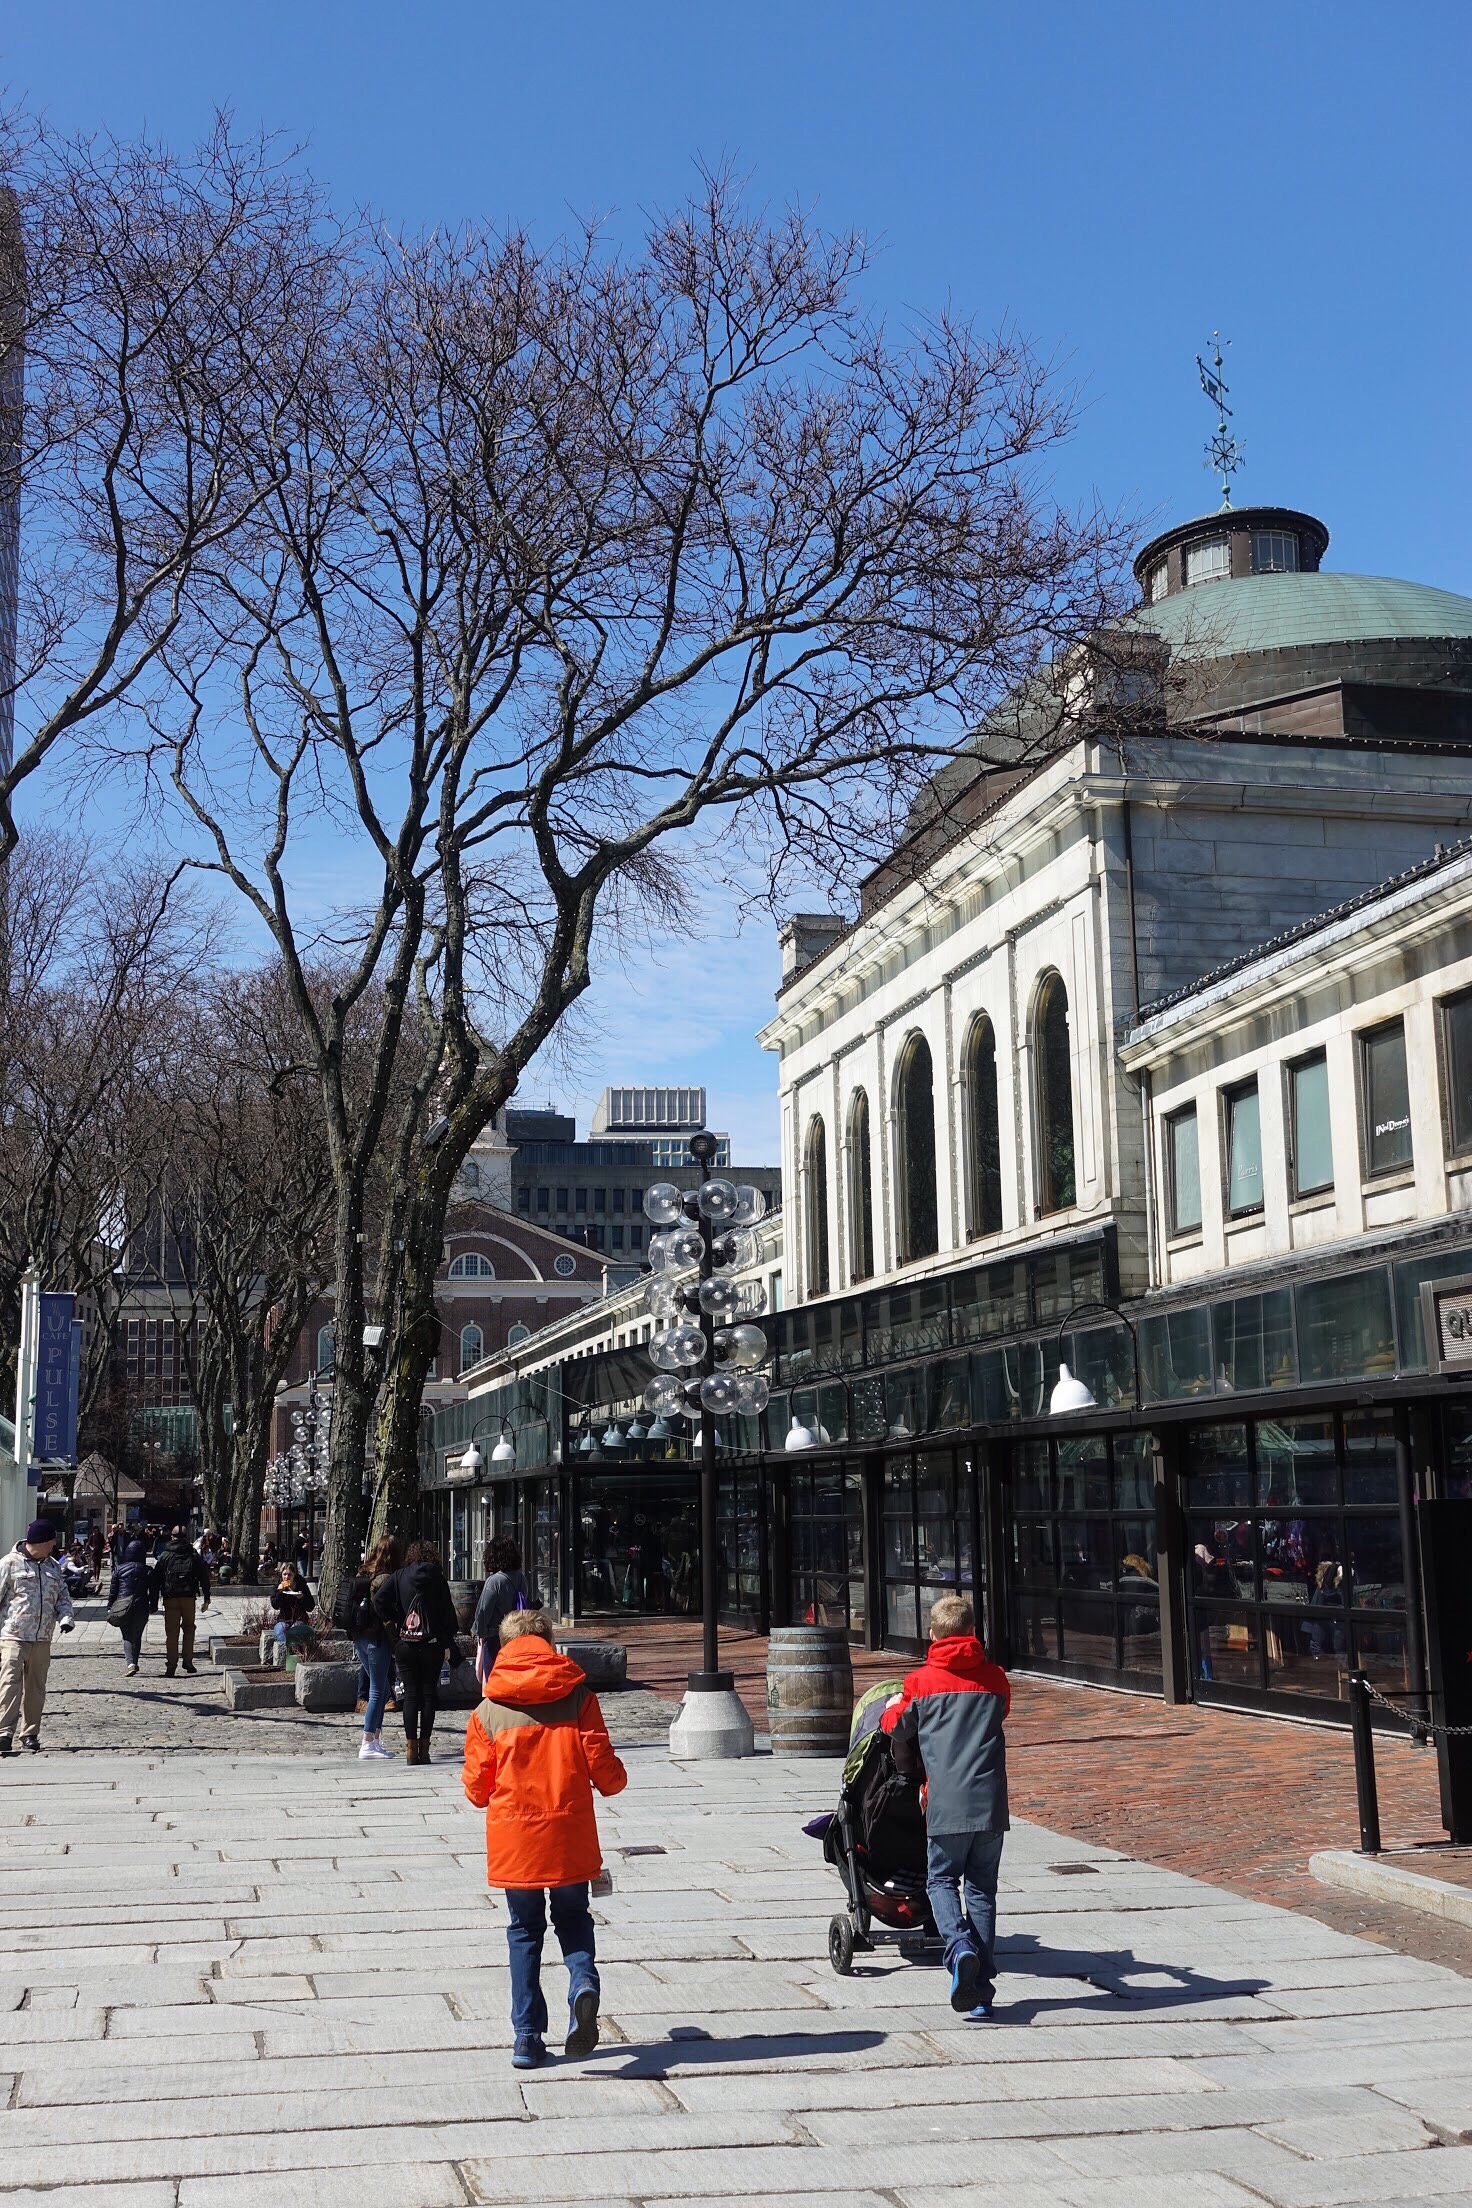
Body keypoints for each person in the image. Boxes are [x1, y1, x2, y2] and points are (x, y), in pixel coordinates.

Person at [462, 1609, 627, 2070]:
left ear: (504, 1646)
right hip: (570, 1834)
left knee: (524, 1930)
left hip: (517, 1840)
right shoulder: (579, 1698)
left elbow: (476, 1789)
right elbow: (605, 1772)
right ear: (549, 1643)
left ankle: (526, 2036)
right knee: (573, 1916)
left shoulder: (488, 1711)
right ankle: (582, 1982)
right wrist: (617, 1779)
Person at [882, 1592, 1010, 2021]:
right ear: (973, 1632)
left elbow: (898, 1726)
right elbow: (1000, 1712)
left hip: (945, 1802)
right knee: (982, 1890)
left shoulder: (921, 1682)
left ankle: (958, 1950)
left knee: (941, 1881)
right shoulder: (995, 1678)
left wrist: (892, 1706)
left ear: (932, 1634)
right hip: (991, 1802)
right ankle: (981, 1992)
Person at [373, 1538, 459, 1763]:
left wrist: (395, 1620)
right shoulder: (437, 1578)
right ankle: (425, 1748)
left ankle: (411, 1750)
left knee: (410, 1696)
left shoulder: (400, 1576)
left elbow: (379, 1600)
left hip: (406, 1642)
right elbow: (449, 1613)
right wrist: (447, 1638)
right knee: (429, 1695)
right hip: (431, 1643)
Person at [0, 1521, 76, 1754]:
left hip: (42, 1638)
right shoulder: (9, 1564)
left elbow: (63, 1597)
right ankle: (3, 1734)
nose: (55, 1544)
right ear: (40, 1541)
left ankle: (30, 1733)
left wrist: (66, 1618)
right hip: (13, 1635)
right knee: (9, 1685)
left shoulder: (52, 1566)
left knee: (36, 1688)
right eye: (51, 1540)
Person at [335, 1535, 401, 1760]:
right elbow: (385, 1612)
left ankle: (375, 1741)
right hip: (376, 1639)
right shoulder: (385, 1578)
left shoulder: (365, 1572)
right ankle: (367, 1742)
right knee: (376, 1691)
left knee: (381, 1690)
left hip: (360, 1637)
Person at [150, 1526, 212, 1676]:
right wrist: (207, 1598)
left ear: (172, 1537)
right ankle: (188, 1660)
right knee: (189, 1628)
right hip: (189, 1597)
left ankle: (171, 1665)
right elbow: (204, 1576)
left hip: (170, 1597)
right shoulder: (193, 1555)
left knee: (172, 1633)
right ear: (186, 1537)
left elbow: (155, 1579)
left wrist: (153, 1602)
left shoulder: (165, 1555)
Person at [472, 1536, 529, 1686]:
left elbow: (484, 1610)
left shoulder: (495, 1581)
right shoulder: (521, 1578)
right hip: (516, 1635)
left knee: (493, 1680)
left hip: (495, 1636)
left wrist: (479, 1631)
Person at [109, 1536, 152, 1675]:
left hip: (123, 1604)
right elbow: (154, 1589)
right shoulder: (147, 1570)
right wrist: (154, 1604)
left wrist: (110, 1605)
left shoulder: (119, 1569)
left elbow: (113, 1590)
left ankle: (131, 1663)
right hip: (141, 1604)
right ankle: (135, 1660)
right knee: (137, 1635)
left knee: (126, 1634)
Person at [270, 1563, 314, 1664]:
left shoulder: (302, 1585)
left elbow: (311, 1606)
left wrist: (302, 1598)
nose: (286, 1577)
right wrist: (279, 1592)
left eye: (289, 1574)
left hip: (299, 1618)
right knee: (281, 1630)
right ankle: (287, 1655)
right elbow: (275, 1605)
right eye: (284, 1574)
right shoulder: (278, 1585)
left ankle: (296, 1656)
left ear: (294, 1575)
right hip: (284, 1618)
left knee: (297, 1630)